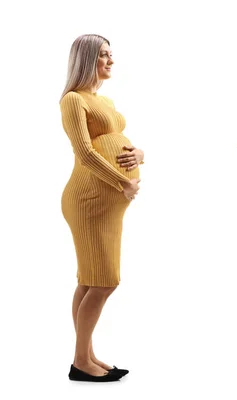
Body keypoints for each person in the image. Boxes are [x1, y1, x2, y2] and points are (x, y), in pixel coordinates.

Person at [59, 34, 144, 382]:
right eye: (103, 56)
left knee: (90, 280)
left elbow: (117, 143)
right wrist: (123, 181)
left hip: (106, 203)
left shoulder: (103, 100)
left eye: (111, 55)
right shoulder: (72, 100)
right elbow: (86, 153)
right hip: (90, 198)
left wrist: (139, 155)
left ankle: (88, 353)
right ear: (86, 59)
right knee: (104, 281)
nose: (111, 61)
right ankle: (81, 362)